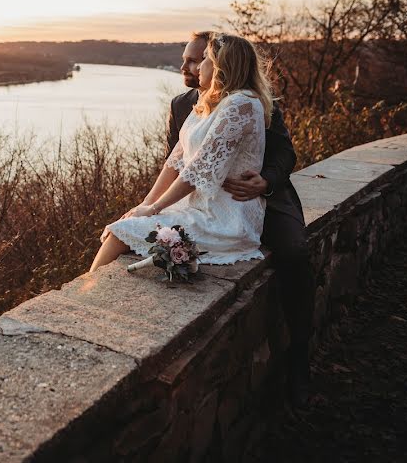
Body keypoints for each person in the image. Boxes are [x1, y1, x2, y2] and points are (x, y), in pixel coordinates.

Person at [165, 31, 314, 406]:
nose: (187, 66)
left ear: (219, 63)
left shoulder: (257, 101)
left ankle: (299, 357)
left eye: (196, 59)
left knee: (294, 252)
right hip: (206, 200)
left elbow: (284, 152)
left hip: (264, 195)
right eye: (186, 59)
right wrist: (150, 207)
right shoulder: (181, 104)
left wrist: (267, 181)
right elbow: (179, 163)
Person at [91, 33, 271, 279]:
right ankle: (85, 294)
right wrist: (144, 206)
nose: (199, 66)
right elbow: (175, 162)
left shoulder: (242, 104)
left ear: (222, 65)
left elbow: (197, 170)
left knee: (120, 233)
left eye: (205, 58)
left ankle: (81, 299)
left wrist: (155, 208)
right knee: (125, 226)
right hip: (198, 207)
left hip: (224, 218)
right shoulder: (209, 104)